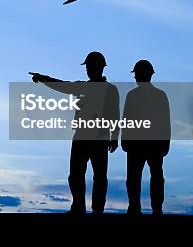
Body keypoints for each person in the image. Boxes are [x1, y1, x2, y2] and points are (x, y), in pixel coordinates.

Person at [31, 51, 120, 214]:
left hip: (99, 138)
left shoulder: (110, 90)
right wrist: (43, 78)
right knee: (76, 175)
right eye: (87, 67)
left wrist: (114, 137)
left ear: (99, 67)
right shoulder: (83, 87)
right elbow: (61, 85)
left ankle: (97, 209)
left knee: (99, 176)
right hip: (81, 136)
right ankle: (78, 206)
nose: (87, 70)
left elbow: (114, 114)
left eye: (90, 66)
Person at [121, 59, 171, 215]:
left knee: (147, 177)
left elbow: (164, 121)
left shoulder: (140, 96)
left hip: (146, 144)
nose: (135, 78)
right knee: (146, 177)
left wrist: (165, 144)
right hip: (146, 144)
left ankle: (144, 208)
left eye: (136, 74)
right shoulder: (156, 95)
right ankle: (147, 208)